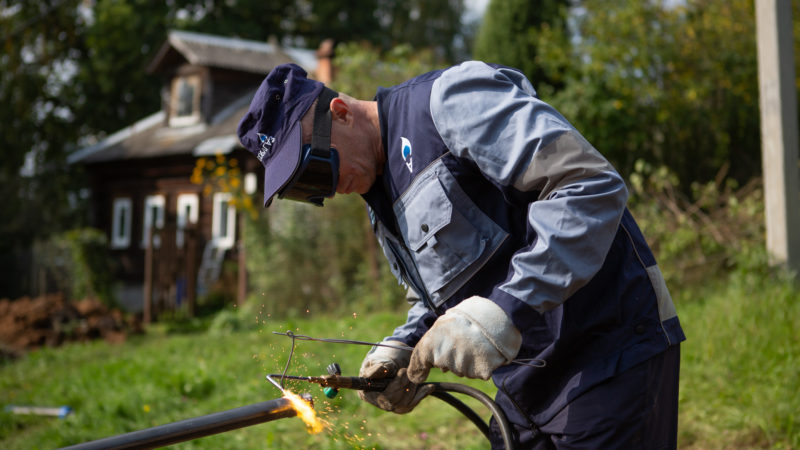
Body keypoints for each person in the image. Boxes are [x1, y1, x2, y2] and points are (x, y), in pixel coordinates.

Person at [237, 61, 685, 449]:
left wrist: (509, 308)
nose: (328, 190)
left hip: (608, 353)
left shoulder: (446, 104)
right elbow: (448, 292)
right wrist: (406, 344)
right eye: (307, 190)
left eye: (317, 168)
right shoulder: (379, 198)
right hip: (525, 386)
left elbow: (588, 186)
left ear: (340, 113)